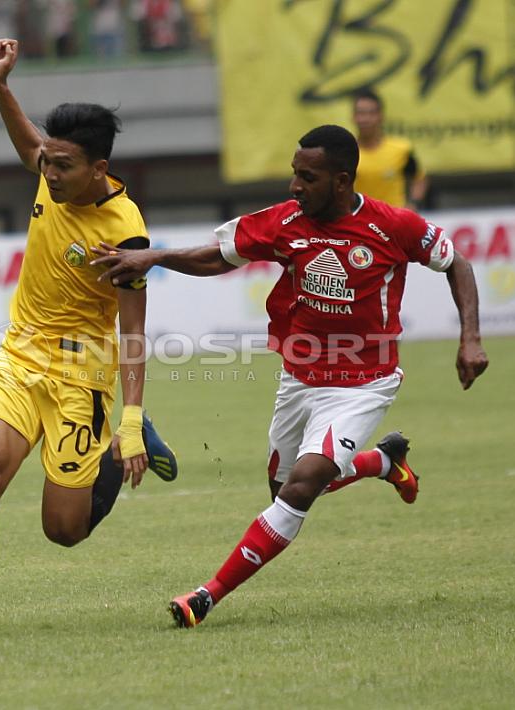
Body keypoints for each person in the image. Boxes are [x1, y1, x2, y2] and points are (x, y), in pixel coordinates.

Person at [91, 124, 488, 628]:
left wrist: (470, 337)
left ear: (342, 181)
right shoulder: (284, 221)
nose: (295, 186)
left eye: (307, 177)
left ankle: (205, 596)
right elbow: (219, 255)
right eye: (294, 174)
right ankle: (383, 463)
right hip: (299, 380)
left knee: (301, 488)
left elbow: (458, 263)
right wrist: (158, 256)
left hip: (364, 384)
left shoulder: (394, 226)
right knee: (283, 490)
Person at [0, 38, 178, 643]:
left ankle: (114, 451)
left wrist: (132, 419)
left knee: (64, 530)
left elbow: (133, 330)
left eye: (62, 165)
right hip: (19, 355)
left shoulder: (126, 232)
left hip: (82, 374)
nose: (48, 172)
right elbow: (31, 143)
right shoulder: (51, 173)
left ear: (99, 169)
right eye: (47, 162)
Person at [352, 87, 429, 210]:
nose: (365, 119)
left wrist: (414, 204)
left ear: (380, 116)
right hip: (359, 223)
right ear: (353, 117)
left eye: (371, 113)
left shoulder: (401, 149)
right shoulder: (347, 152)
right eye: (360, 113)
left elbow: (419, 179)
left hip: (394, 223)